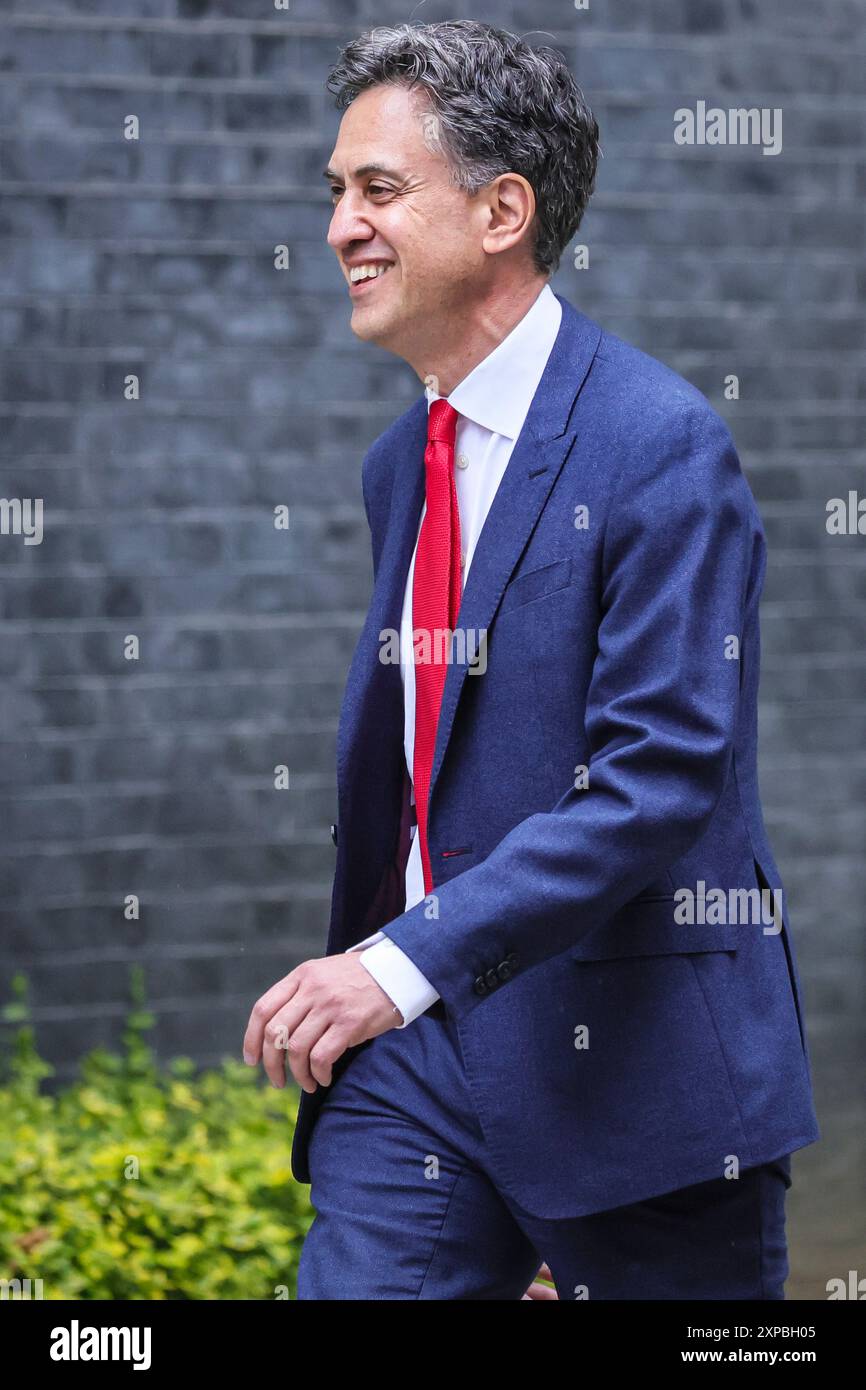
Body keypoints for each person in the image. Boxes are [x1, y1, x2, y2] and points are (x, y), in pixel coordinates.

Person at [243, 20, 819, 1300]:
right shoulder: (398, 467)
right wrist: (402, 972)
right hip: (418, 1065)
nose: (339, 227)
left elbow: (657, 778)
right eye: (335, 192)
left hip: (638, 1077)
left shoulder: (658, 443)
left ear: (502, 211)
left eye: (377, 189)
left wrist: (394, 963)